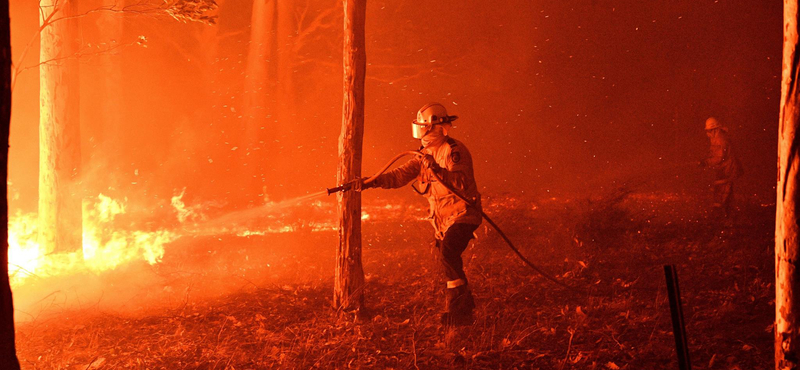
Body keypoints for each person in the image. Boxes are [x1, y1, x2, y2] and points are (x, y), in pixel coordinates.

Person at [357, 102, 482, 325]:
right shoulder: (423, 155)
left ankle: (460, 313)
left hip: (463, 214)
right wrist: (370, 182)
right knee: (448, 259)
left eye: (422, 128)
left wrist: (437, 169)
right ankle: (464, 304)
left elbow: (461, 183)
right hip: (443, 220)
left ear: (433, 127)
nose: (420, 134)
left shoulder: (454, 151)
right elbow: (398, 176)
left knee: (449, 254)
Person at [701, 117, 742, 218]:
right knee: (727, 194)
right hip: (726, 169)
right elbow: (714, 154)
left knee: (721, 192)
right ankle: (729, 217)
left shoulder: (720, 140)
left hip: (727, 170)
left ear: (715, 129)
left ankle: (719, 216)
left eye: (709, 131)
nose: (708, 134)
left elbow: (719, 158)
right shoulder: (717, 138)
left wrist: (706, 163)